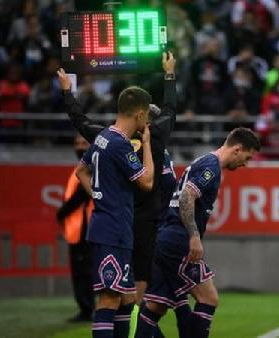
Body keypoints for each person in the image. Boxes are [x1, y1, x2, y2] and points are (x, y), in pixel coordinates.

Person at [58, 52, 177, 308]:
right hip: (143, 222)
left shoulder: (106, 138)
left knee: (116, 293)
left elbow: (80, 122)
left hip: (116, 220)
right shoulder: (155, 136)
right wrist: (169, 74)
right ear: (143, 114)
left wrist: (67, 93)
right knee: (135, 291)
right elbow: (170, 109)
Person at [135, 127, 260, 338]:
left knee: (157, 306)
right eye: (246, 158)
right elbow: (186, 197)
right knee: (209, 298)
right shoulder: (211, 166)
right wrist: (193, 236)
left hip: (166, 238)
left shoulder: (204, 162)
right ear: (237, 149)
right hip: (178, 240)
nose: (245, 164)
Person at [74, 85, 155, 338]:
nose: (148, 122)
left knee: (127, 299)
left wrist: (98, 196)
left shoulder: (103, 137)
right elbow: (147, 182)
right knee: (110, 299)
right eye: (148, 117)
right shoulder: (120, 144)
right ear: (140, 115)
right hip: (113, 232)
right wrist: (147, 145)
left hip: (111, 228)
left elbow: (81, 171)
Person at [56, 133, 95, 322]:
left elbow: (80, 196)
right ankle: (86, 308)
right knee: (81, 272)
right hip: (77, 229)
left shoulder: (89, 168)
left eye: (84, 143)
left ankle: (87, 309)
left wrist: (61, 213)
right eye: (77, 143)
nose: (79, 146)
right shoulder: (80, 168)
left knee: (83, 272)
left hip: (84, 229)